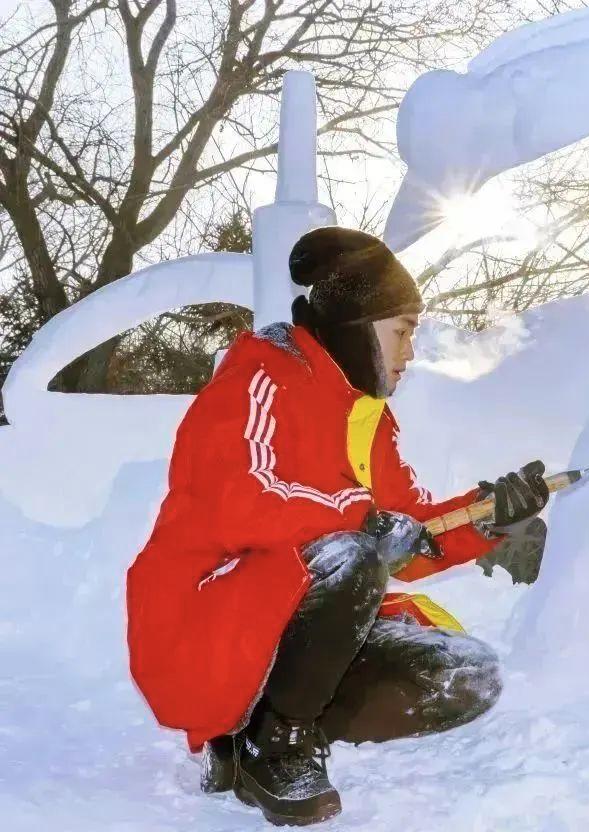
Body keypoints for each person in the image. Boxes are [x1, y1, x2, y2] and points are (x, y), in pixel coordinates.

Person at [126, 227, 549, 826]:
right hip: (203, 628)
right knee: (350, 554)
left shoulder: (367, 421)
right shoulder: (258, 380)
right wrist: (363, 519)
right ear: (358, 325)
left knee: (463, 676)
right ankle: (269, 744)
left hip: (287, 622)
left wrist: (487, 515)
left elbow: (408, 530)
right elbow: (241, 498)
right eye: (402, 332)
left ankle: (273, 713)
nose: (409, 353)